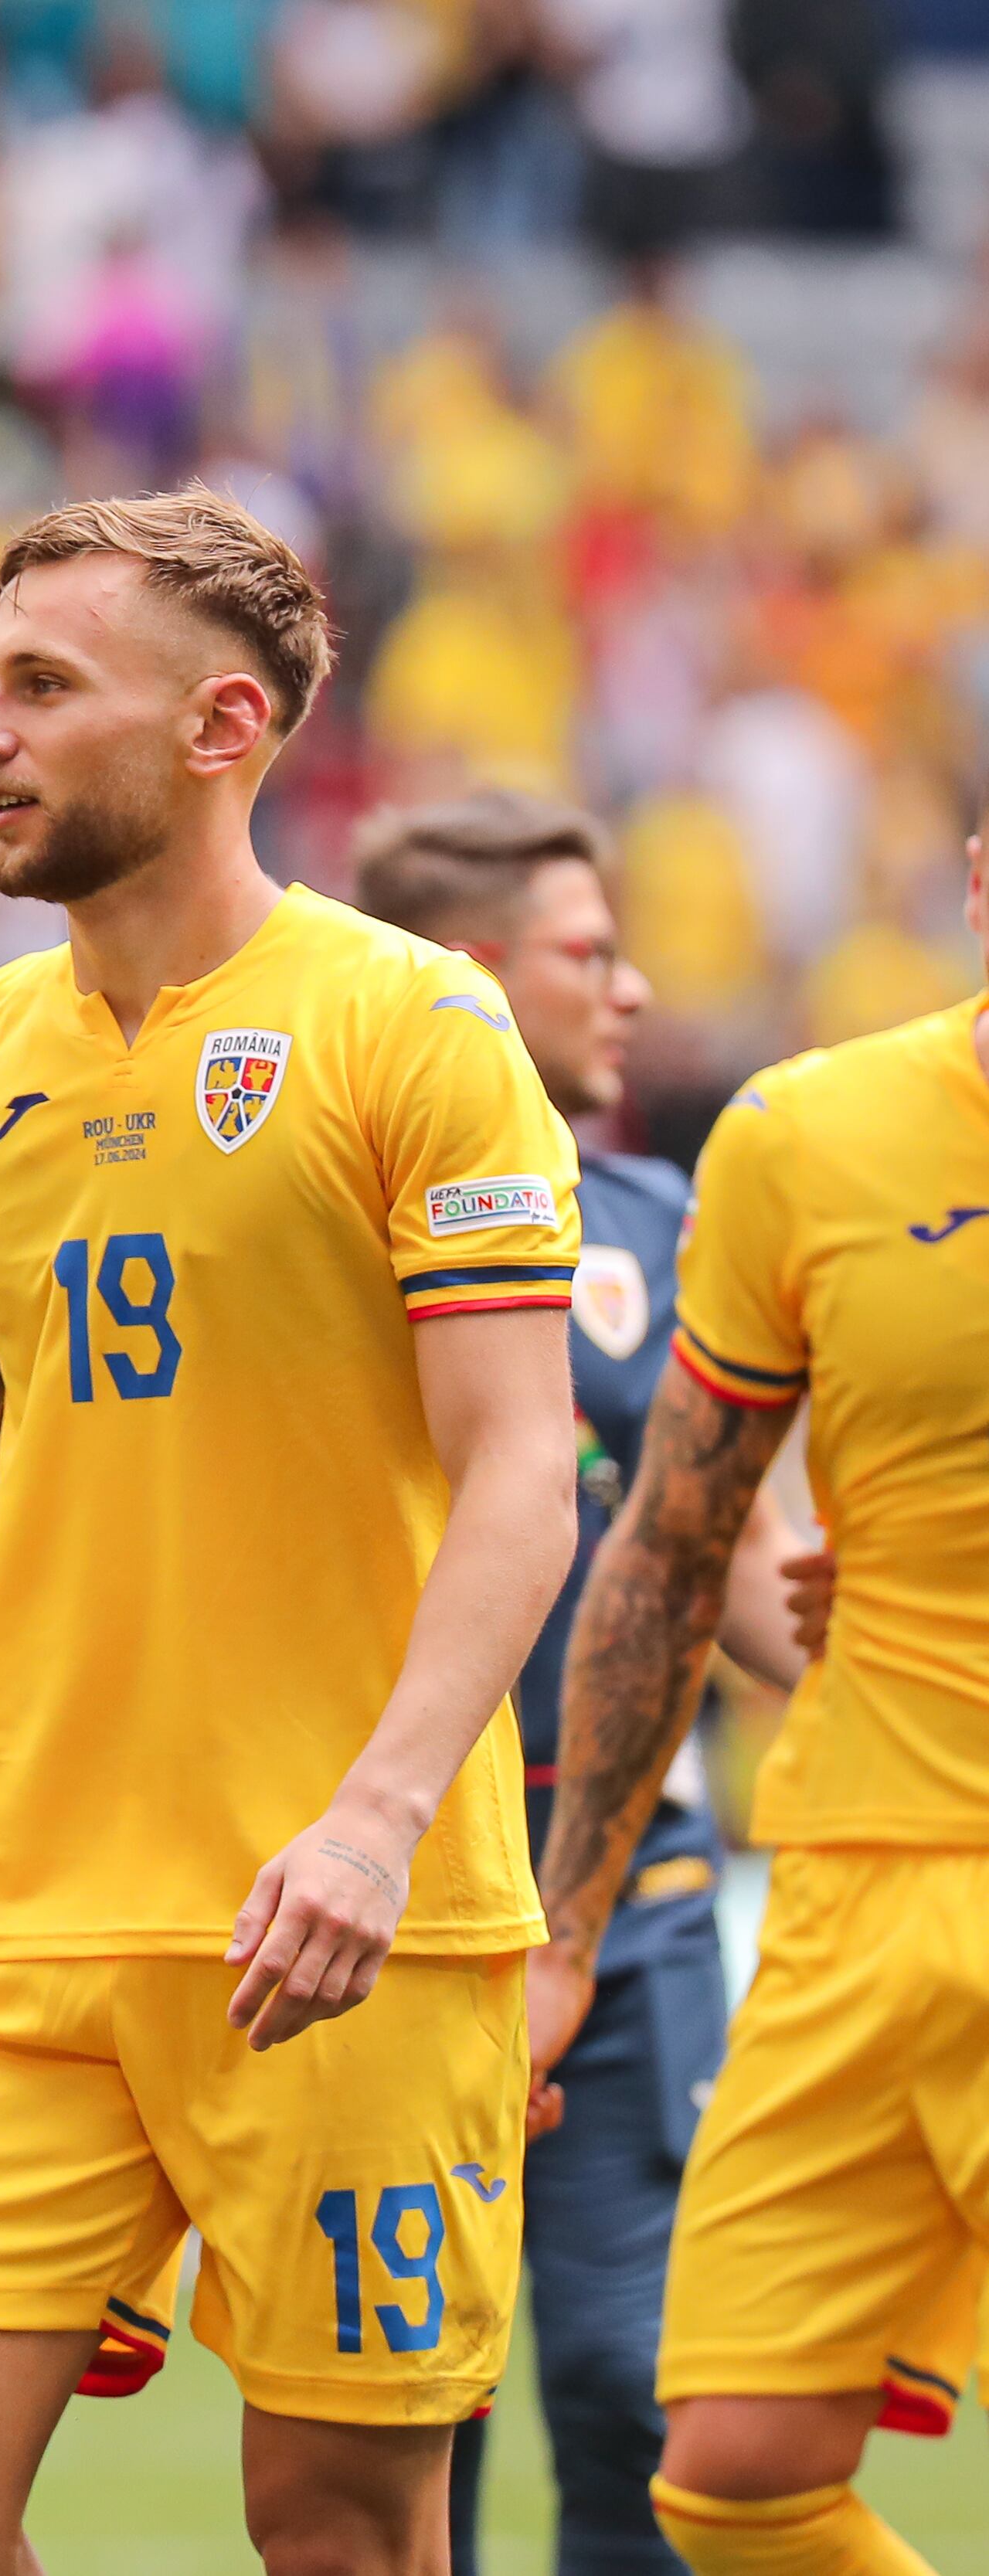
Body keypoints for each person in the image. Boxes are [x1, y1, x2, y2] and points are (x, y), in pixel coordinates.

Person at [0, 490, 587, 2576]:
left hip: (344, 1921)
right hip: (32, 1917)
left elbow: (525, 1464)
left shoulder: (413, 1022)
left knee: (337, 2526)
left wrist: (376, 1816)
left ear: (224, 723)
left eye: (43, 685)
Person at [348, 791, 823, 2576]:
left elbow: (734, 1563)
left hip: (628, 1887)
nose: (628, 992)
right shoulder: (319, 1216)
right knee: (399, 2402)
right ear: (469, 976)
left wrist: (899, 1670)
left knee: (633, 2378)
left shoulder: (666, 1219)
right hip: (381, 1891)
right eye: (584, 952)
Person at [531, 828, 989, 2576]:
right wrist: (567, 1924)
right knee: (729, 2473)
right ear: (970, 880)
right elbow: (667, 1537)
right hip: (851, 1871)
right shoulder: (808, 1133)